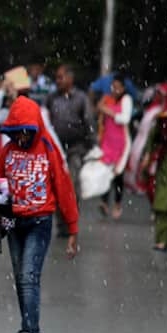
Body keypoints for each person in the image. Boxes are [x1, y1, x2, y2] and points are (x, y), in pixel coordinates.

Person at [0, 96, 79, 333]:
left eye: (25, 132)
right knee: (21, 279)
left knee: (29, 277)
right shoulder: (7, 152)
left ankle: (29, 332)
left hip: (40, 222)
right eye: (15, 132)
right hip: (14, 222)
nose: (20, 138)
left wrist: (72, 229)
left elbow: (64, 188)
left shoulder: (48, 148)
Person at [45, 64, 95, 236]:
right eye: (57, 78)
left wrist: (91, 146)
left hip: (75, 148)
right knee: (57, 185)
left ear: (70, 78)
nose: (58, 81)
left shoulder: (81, 98)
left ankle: (70, 222)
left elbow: (89, 123)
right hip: (56, 149)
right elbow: (45, 120)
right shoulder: (51, 98)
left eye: (61, 77)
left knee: (71, 186)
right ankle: (61, 224)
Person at [97, 73, 133, 219]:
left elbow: (125, 118)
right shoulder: (108, 99)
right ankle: (104, 202)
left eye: (118, 87)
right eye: (114, 87)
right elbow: (100, 116)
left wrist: (108, 111)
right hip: (108, 141)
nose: (115, 90)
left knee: (118, 175)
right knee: (105, 172)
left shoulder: (126, 100)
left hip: (121, 143)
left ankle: (117, 204)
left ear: (123, 88)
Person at [141, 108, 167, 252]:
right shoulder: (163, 120)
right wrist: (147, 156)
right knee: (162, 205)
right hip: (166, 169)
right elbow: (153, 139)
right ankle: (161, 240)